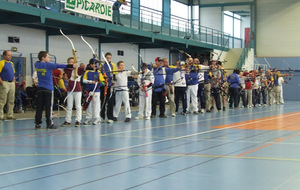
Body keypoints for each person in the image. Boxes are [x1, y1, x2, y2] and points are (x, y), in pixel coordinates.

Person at [34, 51, 73, 129]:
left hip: (40, 88)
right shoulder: (48, 65)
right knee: (49, 107)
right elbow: (59, 65)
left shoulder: (37, 64)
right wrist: (71, 65)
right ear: (43, 58)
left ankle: (38, 123)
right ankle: (49, 123)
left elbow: (40, 62)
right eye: (47, 57)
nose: (49, 58)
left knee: (40, 106)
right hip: (48, 89)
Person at [62, 57, 85, 127]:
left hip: (77, 89)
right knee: (69, 106)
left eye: (73, 62)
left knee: (78, 106)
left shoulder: (79, 70)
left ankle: (78, 120)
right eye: (70, 62)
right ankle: (67, 120)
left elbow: (83, 68)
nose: (71, 63)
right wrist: (72, 66)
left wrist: (76, 66)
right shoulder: (67, 70)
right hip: (70, 89)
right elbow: (65, 67)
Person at [82, 60, 105, 125]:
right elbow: (83, 80)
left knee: (96, 105)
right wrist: (91, 82)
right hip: (88, 90)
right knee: (89, 104)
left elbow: (103, 82)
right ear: (91, 65)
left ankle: (97, 118)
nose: (95, 65)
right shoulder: (87, 72)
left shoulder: (99, 72)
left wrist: (99, 83)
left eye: (96, 64)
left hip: (96, 91)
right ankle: (88, 118)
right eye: (94, 64)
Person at [100, 52, 117, 123]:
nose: (108, 59)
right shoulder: (102, 65)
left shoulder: (113, 65)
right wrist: (103, 82)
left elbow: (115, 74)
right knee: (103, 101)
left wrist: (113, 80)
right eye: (107, 58)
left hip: (110, 86)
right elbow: (100, 74)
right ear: (105, 58)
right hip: (103, 86)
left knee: (110, 102)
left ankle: (110, 117)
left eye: (110, 58)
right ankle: (102, 117)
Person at [0, 50, 16, 120]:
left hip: (11, 83)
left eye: (10, 55)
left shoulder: (11, 64)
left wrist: (14, 81)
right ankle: (1, 115)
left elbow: (13, 73)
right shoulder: (1, 63)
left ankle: (10, 114)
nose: (10, 56)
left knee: (11, 100)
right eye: (8, 55)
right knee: (2, 100)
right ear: (4, 56)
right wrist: (2, 83)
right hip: (4, 82)